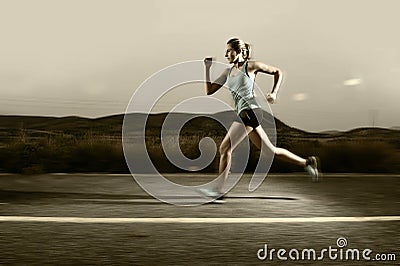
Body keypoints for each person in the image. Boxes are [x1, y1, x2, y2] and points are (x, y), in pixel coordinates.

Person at [201, 37, 319, 199]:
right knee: (270, 151)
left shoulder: (250, 66)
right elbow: (209, 90)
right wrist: (207, 68)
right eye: (226, 50)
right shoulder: (227, 72)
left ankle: (218, 190)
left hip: (250, 111)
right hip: (245, 113)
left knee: (225, 148)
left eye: (229, 50)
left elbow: (278, 72)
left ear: (240, 51)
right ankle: (307, 162)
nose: (226, 53)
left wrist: (274, 93)